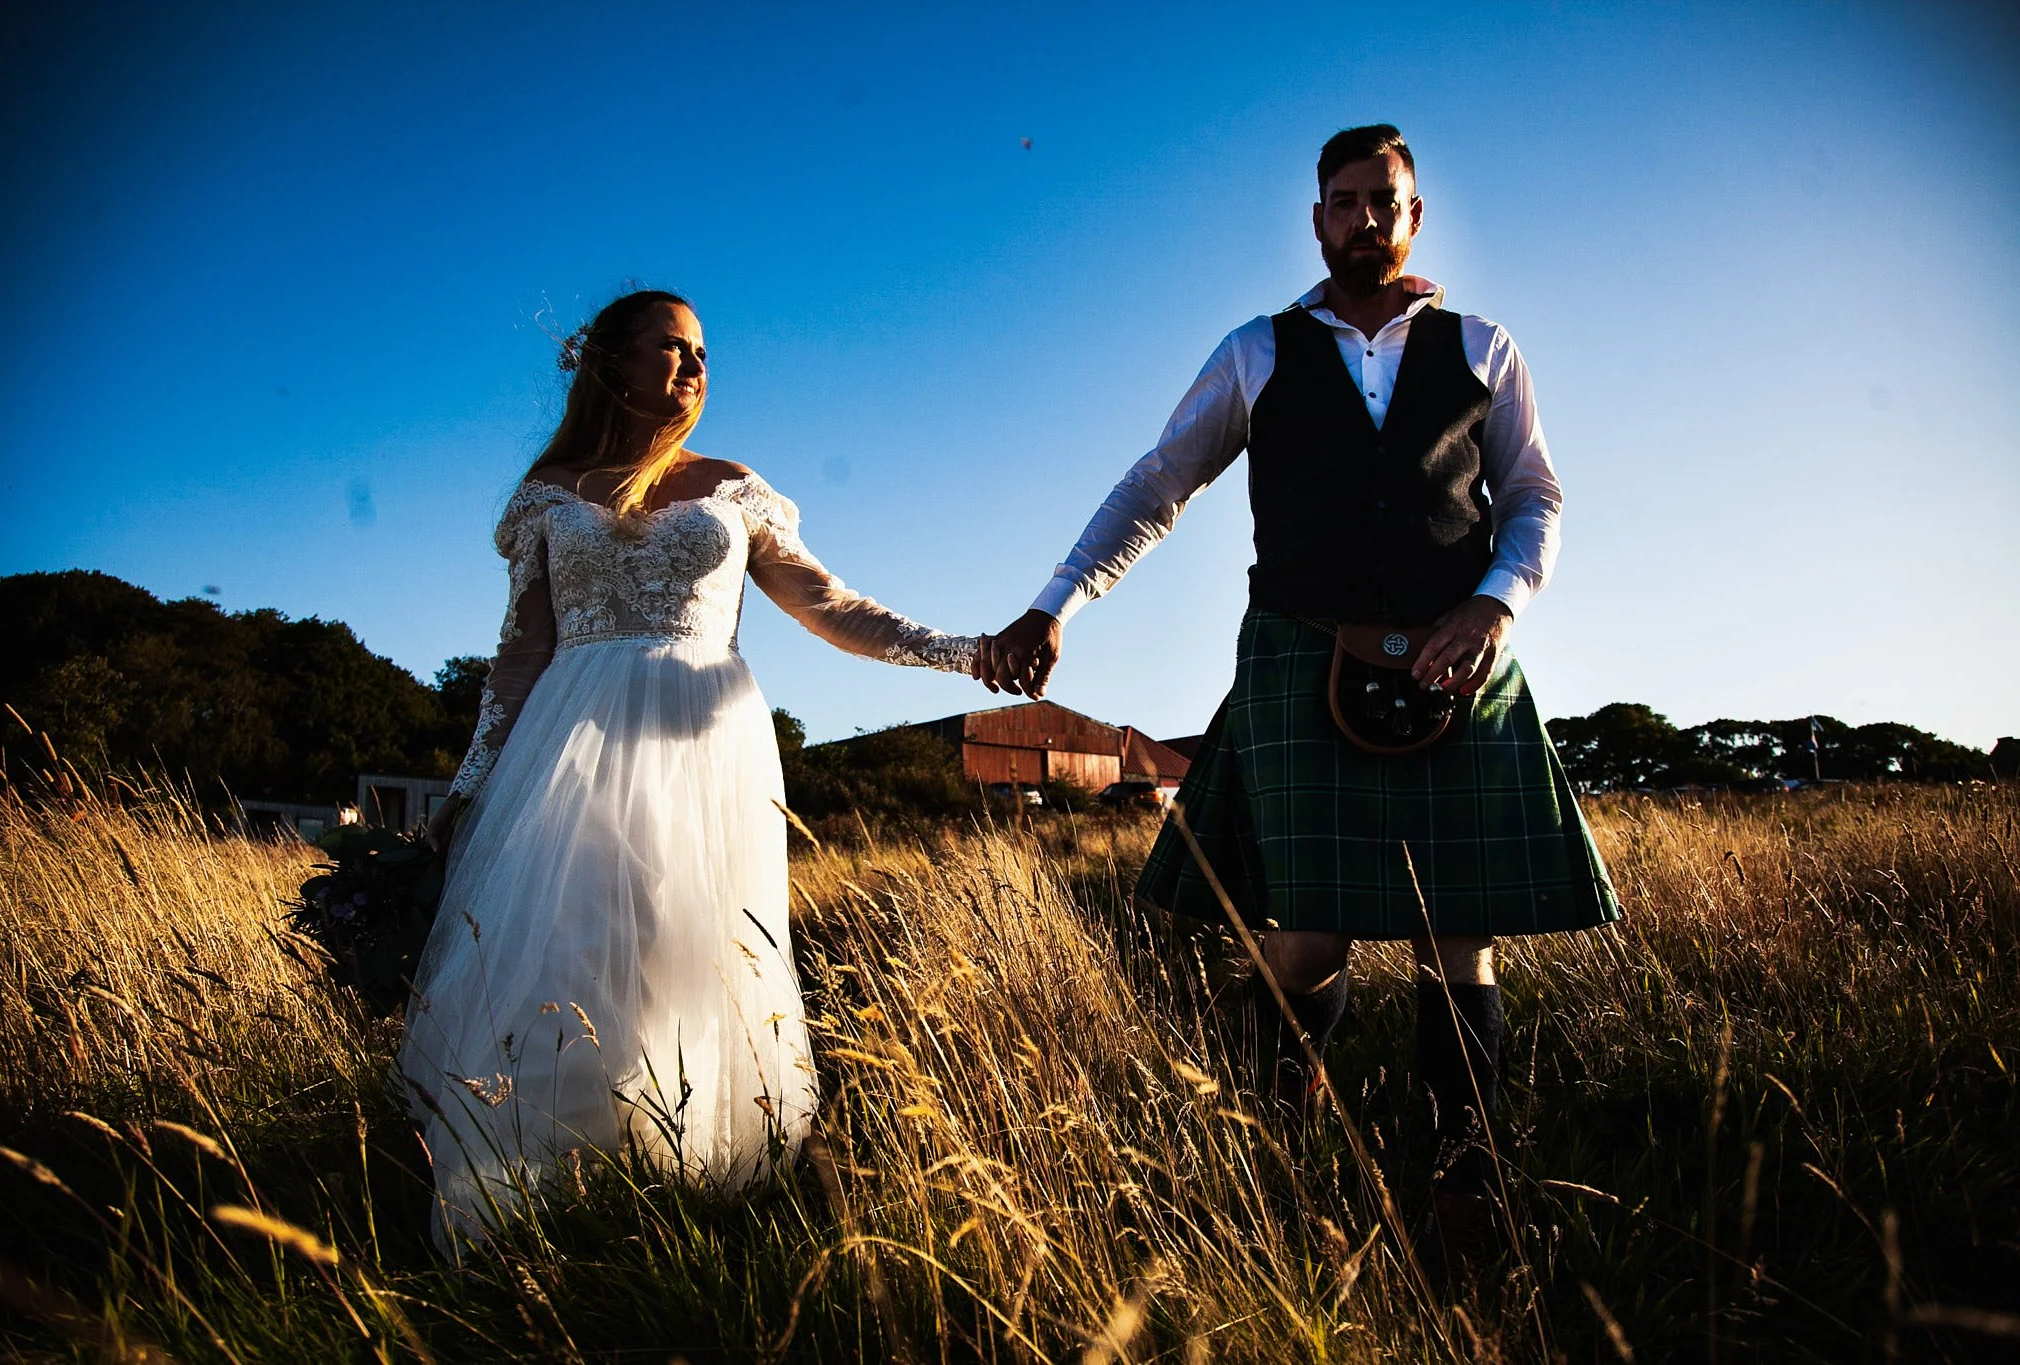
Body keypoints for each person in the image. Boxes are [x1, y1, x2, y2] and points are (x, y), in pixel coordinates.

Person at [973, 125, 1621, 1272]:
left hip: (1455, 656)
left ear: (1414, 216)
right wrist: (1055, 603)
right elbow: (1156, 484)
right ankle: (1272, 1156)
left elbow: (1533, 497)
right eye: (1343, 201)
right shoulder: (1254, 351)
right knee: (1300, 940)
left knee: (1454, 944)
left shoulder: (1481, 346)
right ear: (1314, 219)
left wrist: (1493, 608)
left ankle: (1462, 1181)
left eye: (1385, 200)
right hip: (1296, 651)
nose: (1365, 218)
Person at [402, 289, 977, 1252]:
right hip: (570, 748)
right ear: (612, 363)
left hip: (706, 750)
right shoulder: (550, 496)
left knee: (684, 955)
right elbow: (519, 654)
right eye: (672, 347)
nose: (695, 365)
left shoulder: (731, 486)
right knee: (569, 955)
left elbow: (829, 605)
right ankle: (535, 1210)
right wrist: (469, 786)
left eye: (703, 350)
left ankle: (678, 1200)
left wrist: (963, 652)